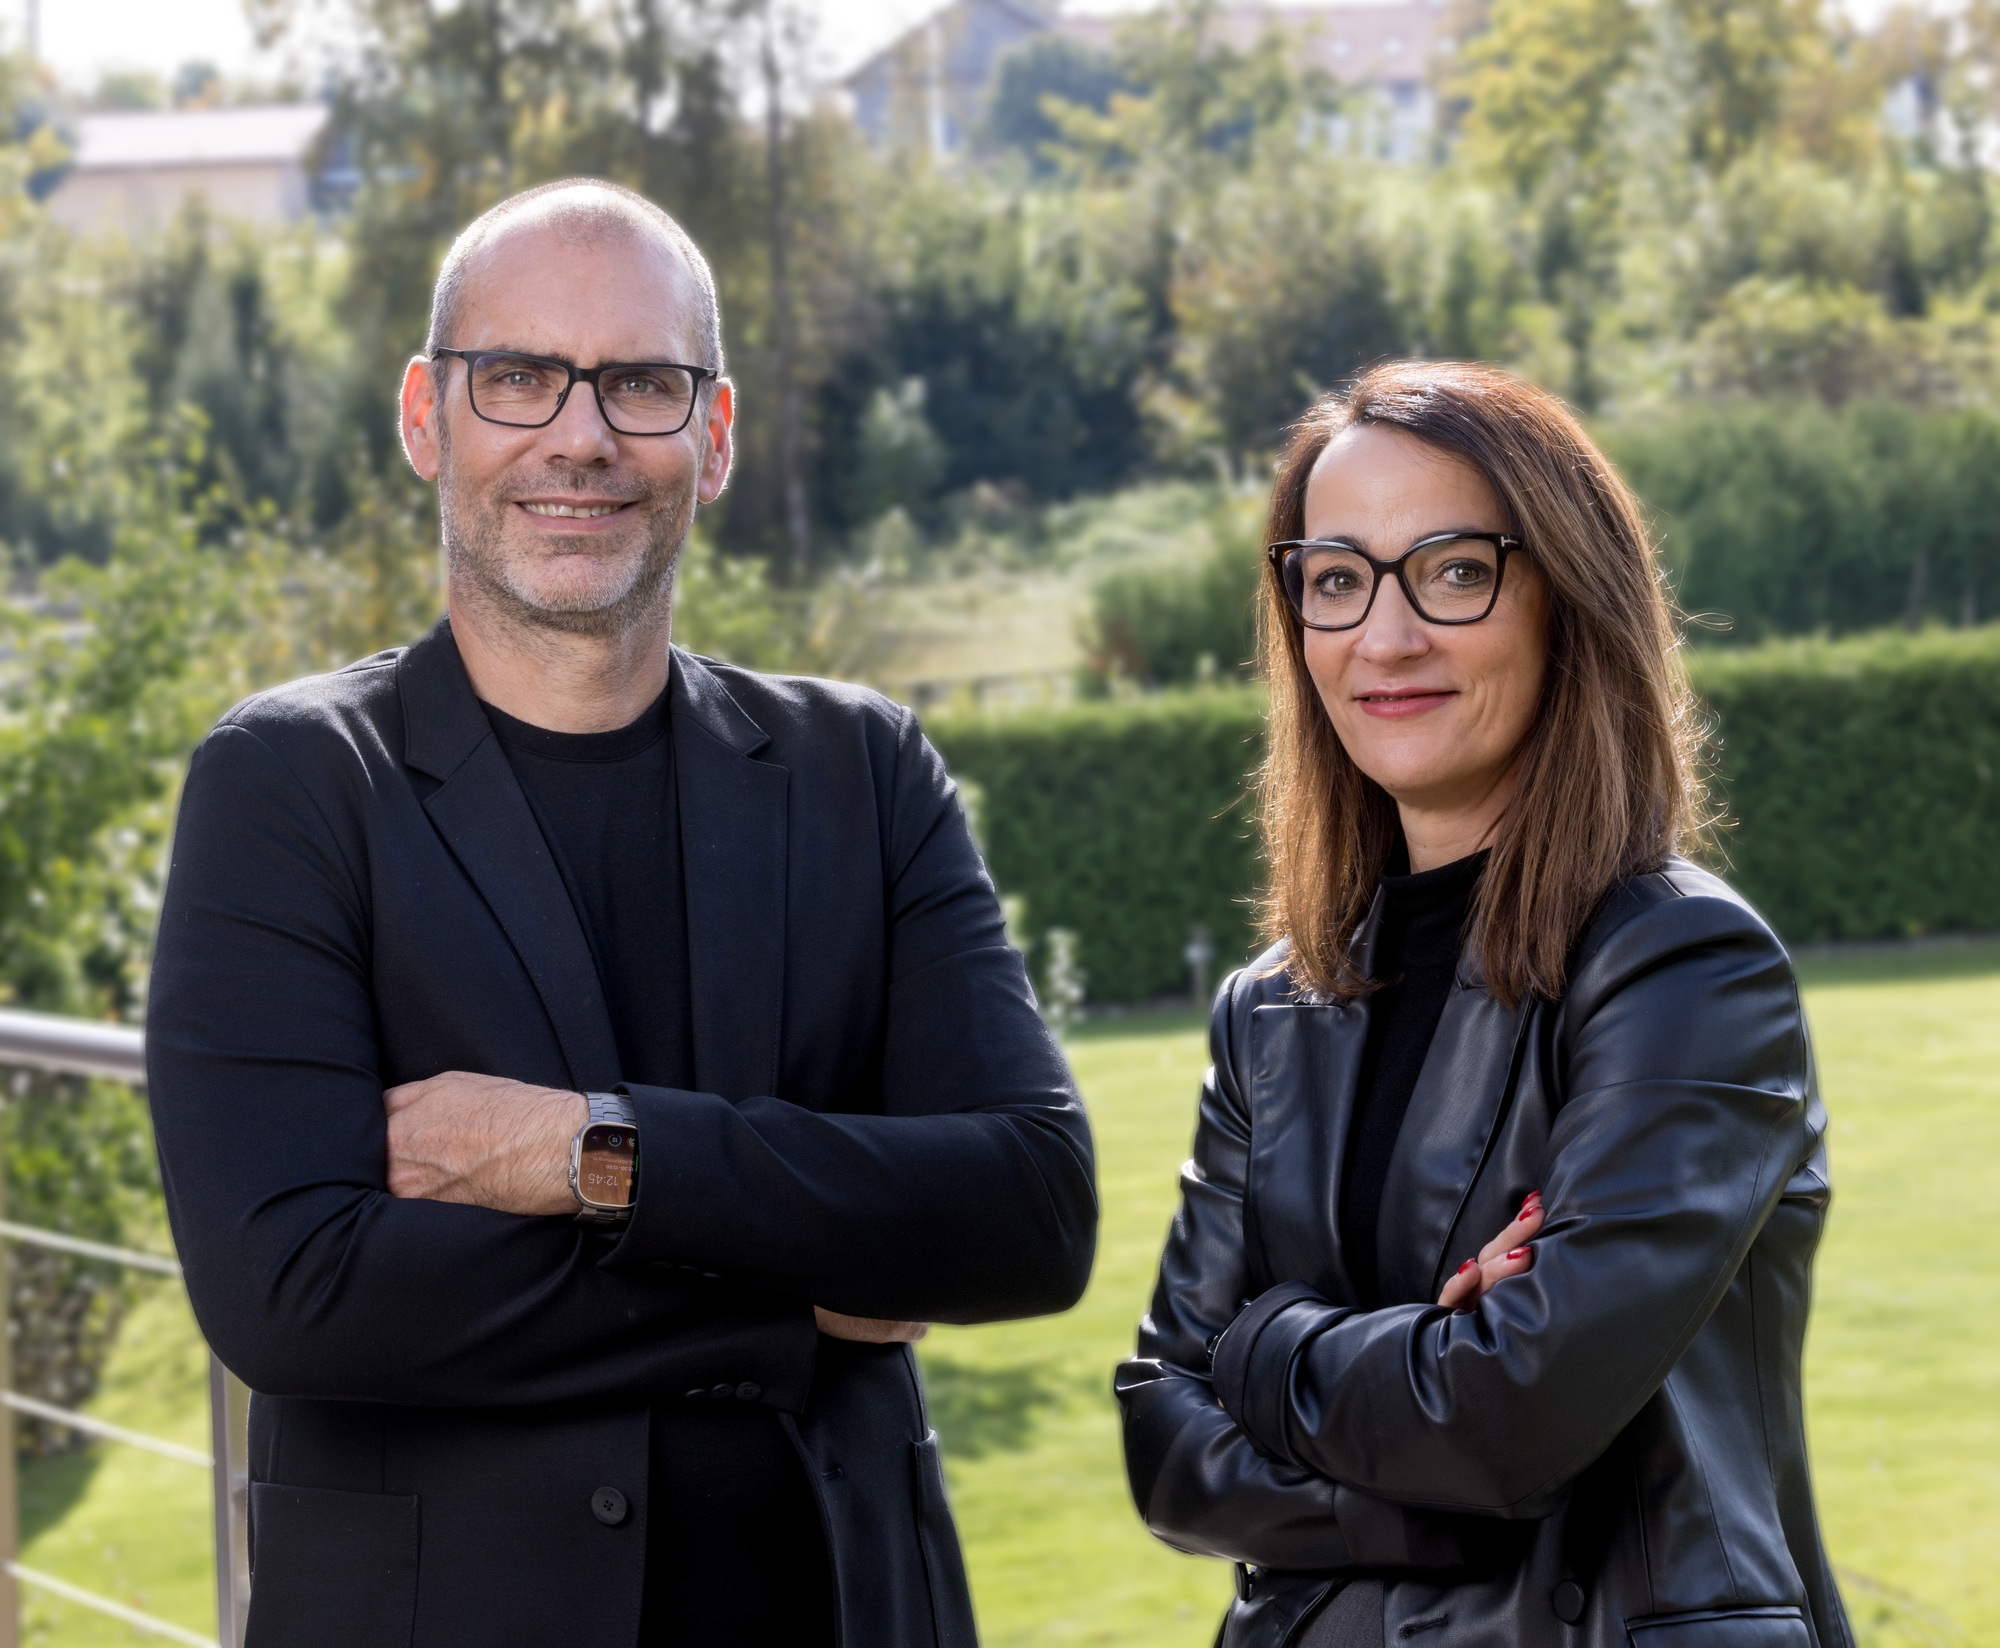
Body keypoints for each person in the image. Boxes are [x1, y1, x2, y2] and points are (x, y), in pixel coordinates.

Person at [146, 178, 1097, 1648]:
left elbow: (1029, 1211)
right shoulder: (289, 783)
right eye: (518, 377)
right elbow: (292, 1290)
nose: (579, 436)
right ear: (427, 417)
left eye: (642, 383)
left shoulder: (865, 768)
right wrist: (791, 1299)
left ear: (711, 440)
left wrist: (588, 1157)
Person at [1115, 361, 1851, 1648]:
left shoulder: (1680, 968)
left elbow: (1508, 1420)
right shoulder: (1268, 1006)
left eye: (1452, 570)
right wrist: (1418, 1435)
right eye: (1335, 579)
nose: (1382, 636)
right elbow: (1162, 1440)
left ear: (1567, 599)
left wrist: (1264, 1343)